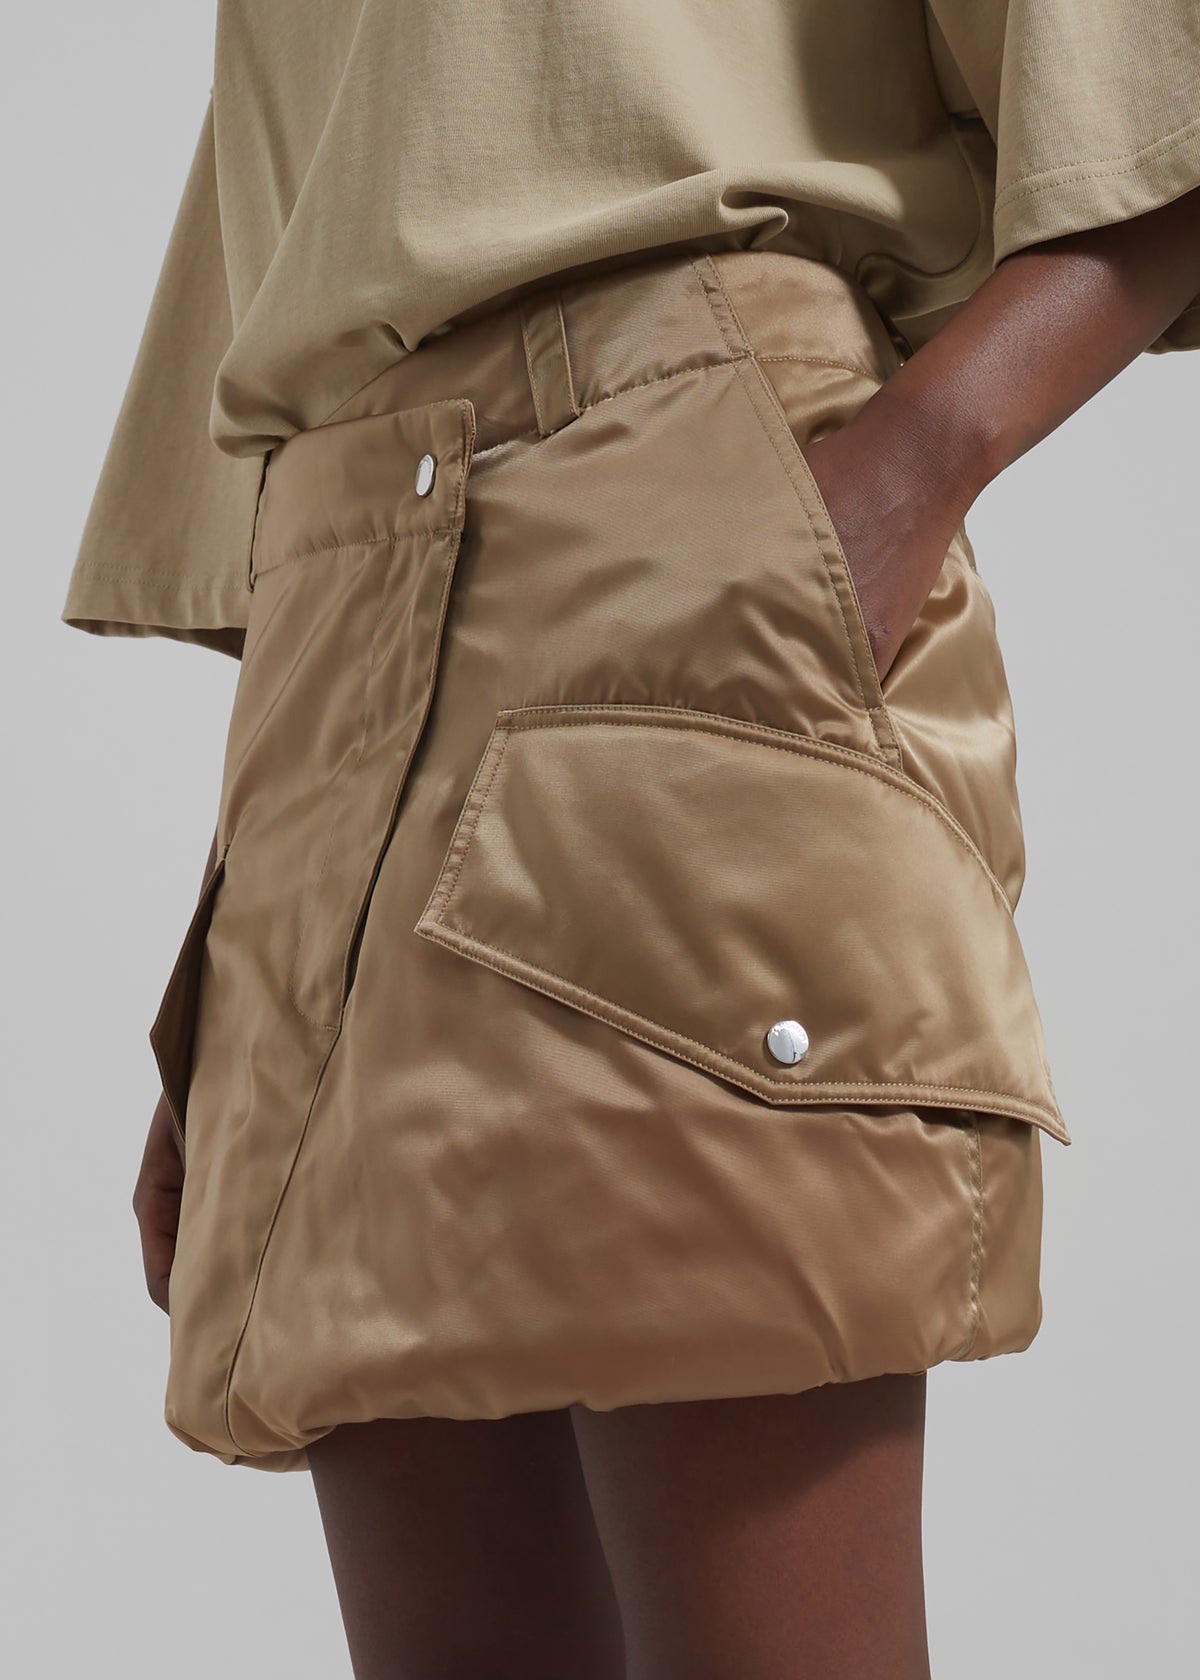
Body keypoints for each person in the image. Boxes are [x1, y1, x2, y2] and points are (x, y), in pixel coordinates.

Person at [63, 5, 1200, 1676]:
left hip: (686, 512)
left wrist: (904, 476)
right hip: (336, 631)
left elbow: (1161, 101)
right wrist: (261, 924)